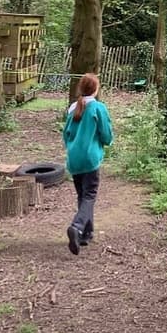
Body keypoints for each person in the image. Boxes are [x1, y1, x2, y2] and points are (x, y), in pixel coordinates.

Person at [62, 72, 113, 255]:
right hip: (90, 159)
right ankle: (76, 227)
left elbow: (66, 134)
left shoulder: (73, 107)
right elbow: (106, 134)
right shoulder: (98, 108)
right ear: (96, 89)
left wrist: (72, 149)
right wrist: (106, 142)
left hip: (74, 159)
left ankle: (85, 234)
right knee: (89, 195)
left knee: (83, 196)